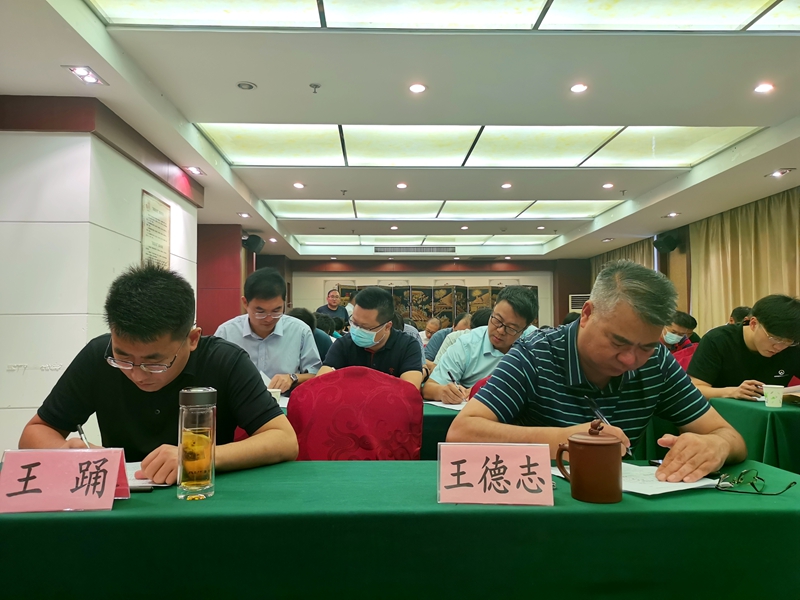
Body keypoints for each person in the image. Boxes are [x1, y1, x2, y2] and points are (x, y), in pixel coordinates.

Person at [446, 260, 746, 484]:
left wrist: (716, 445)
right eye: (618, 342)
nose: (630, 359)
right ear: (587, 314)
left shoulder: (657, 362)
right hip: (541, 507)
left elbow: (729, 436)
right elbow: (462, 432)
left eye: (645, 346)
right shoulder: (535, 354)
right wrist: (570, 440)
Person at [18, 264, 298, 484]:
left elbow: (283, 440)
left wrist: (196, 456)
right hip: (123, 502)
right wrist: (66, 452)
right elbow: (36, 431)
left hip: (201, 493)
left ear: (192, 339)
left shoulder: (225, 361)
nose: (137, 375)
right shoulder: (98, 356)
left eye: (155, 363)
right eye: (123, 359)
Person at [423, 286, 538, 404]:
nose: (500, 331)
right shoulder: (467, 344)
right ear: (493, 309)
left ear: (525, 328)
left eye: (511, 328)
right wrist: (443, 392)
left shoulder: (534, 343)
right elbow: (429, 388)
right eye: (497, 320)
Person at [215, 268, 321, 394]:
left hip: (285, 402)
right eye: (260, 312)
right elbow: (213, 376)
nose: (269, 319)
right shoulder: (226, 333)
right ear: (245, 303)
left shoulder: (300, 331)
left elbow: (317, 375)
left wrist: (292, 378)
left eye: (276, 311)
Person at [688, 294, 800, 400]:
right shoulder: (718, 340)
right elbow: (695, 389)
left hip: (772, 412)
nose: (779, 347)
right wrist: (732, 392)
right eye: (774, 338)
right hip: (720, 410)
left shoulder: (793, 346)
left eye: (788, 341)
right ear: (753, 324)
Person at [317, 287, 423, 390]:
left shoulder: (407, 346)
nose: (357, 330)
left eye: (365, 327)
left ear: (387, 327)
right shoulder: (344, 344)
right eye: (354, 323)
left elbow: (410, 389)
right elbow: (320, 383)